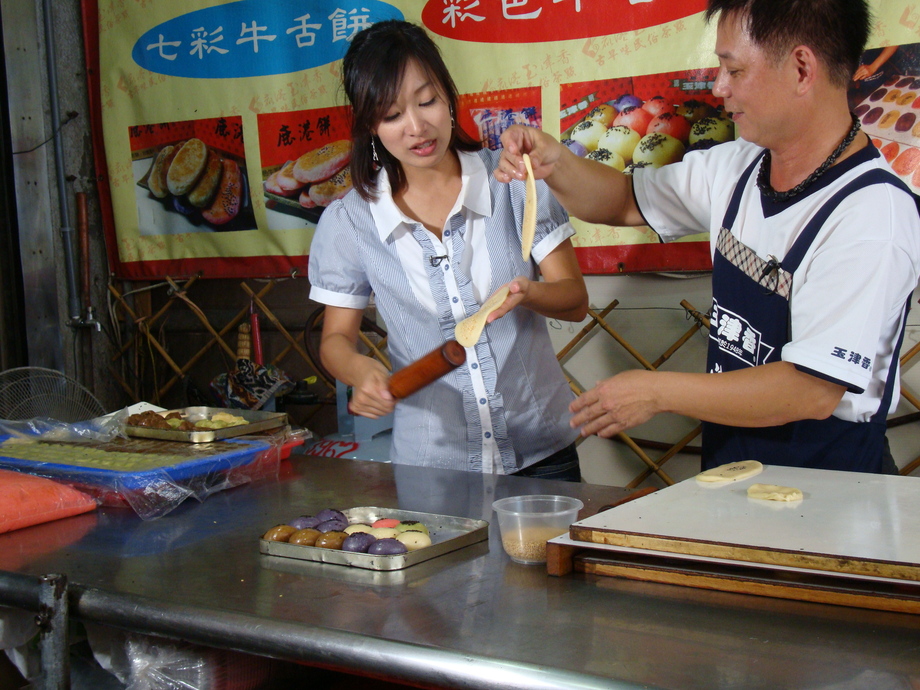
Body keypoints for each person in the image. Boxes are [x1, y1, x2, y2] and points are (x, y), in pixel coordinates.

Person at [495, 0, 920, 474]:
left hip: (831, 487)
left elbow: (812, 389)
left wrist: (656, 391)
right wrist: (556, 162)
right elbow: (621, 200)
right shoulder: (740, 166)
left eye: (733, 70)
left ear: (802, 69)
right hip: (732, 469)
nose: (719, 88)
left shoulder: (871, 214)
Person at [308, 20, 589, 480]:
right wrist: (360, 370)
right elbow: (335, 340)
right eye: (393, 114)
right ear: (369, 125)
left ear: (449, 96)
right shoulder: (349, 221)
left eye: (428, 101)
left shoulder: (511, 181)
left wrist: (525, 293)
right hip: (432, 465)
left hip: (542, 454)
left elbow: (574, 299)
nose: (417, 127)